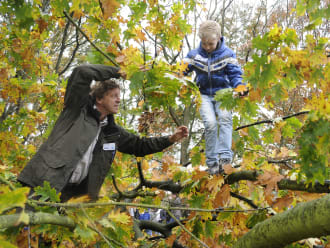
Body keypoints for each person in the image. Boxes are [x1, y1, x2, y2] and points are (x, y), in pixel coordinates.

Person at [18, 64, 188, 202]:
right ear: (99, 99)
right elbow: (81, 72)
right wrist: (120, 71)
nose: (119, 99)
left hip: (73, 198)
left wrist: (171, 139)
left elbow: (139, 145)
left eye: (119, 96)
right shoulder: (76, 110)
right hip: (43, 184)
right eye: (114, 95)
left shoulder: (111, 132)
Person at [184, 20, 247, 175]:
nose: (207, 47)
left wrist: (239, 87)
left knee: (225, 118)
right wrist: (173, 76)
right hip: (203, 95)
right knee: (211, 124)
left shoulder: (227, 54)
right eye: (204, 43)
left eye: (210, 44)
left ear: (219, 38)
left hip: (222, 94)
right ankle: (211, 162)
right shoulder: (194, 55)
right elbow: (180, 71)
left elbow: (235, 74)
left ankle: (225, 158)